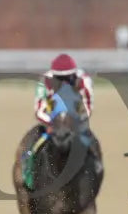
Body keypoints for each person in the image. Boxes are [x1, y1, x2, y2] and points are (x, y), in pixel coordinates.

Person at [20, 53, 102, 190]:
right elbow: (39, 110)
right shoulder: (44, 82)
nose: (64, 81)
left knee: (90, 141)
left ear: (74, 75)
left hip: (75, 120)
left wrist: (73, 122)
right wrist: (52, 125)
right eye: (60, 78)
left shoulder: (84, 81)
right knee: (33, 142)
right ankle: (28, 167)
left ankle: (95, 165)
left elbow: (87, 107)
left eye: (68, 77)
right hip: (52, 121)